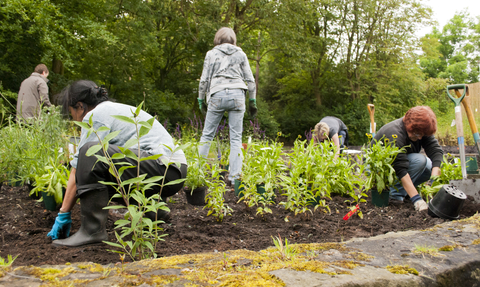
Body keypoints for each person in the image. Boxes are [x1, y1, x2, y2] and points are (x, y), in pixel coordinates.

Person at [47, 80, 188, 247]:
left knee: (89, 152)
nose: (74, 119)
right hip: (173, 171)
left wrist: (63, 213)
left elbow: (78, 167)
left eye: (71, 113)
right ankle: (154, 211)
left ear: (80, 106)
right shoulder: (113, 109)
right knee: (103, 169)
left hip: (163, 167)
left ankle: (91, 231)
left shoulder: (95, 115)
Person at [197, 27, 257, 183]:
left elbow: (204, 80)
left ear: (217, 39)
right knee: (236, 139)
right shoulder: (241, 54)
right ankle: (235, 177)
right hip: (238, 95)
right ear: (233, 40)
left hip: (217, 94)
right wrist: (252, 100)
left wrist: (200, 99)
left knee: (207, 135)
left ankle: (197, 174)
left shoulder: (211, 54)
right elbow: (250, 80)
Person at [372, 106, 443, 211]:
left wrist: (434, 178)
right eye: (418, 134)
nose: (419, 138)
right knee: (420, 161)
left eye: (422, 135)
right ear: (409, 126)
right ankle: (394, 195)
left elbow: (435, 150)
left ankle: (405, 191)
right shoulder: (394, 133)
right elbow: (400, 168)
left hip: (399, 166)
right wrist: (417, 199)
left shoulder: (420, 130)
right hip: (379, 170)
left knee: (430, 166)